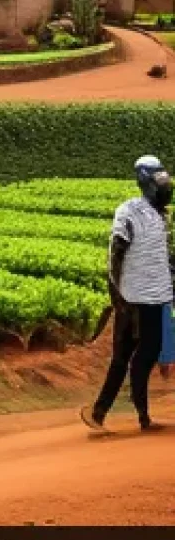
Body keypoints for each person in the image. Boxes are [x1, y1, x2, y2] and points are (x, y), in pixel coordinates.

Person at [82, 155, 174, 433]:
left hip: (148, 296)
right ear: (147, 183)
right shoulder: (129, 213)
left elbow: (162, 259)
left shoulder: (158, 216)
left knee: (128, 357)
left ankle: (103, 412)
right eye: (160, 184)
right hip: (137, 300)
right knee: (138, 355)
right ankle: (138, 416)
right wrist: (117, 294)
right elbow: (116, 253)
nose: (165, 189)